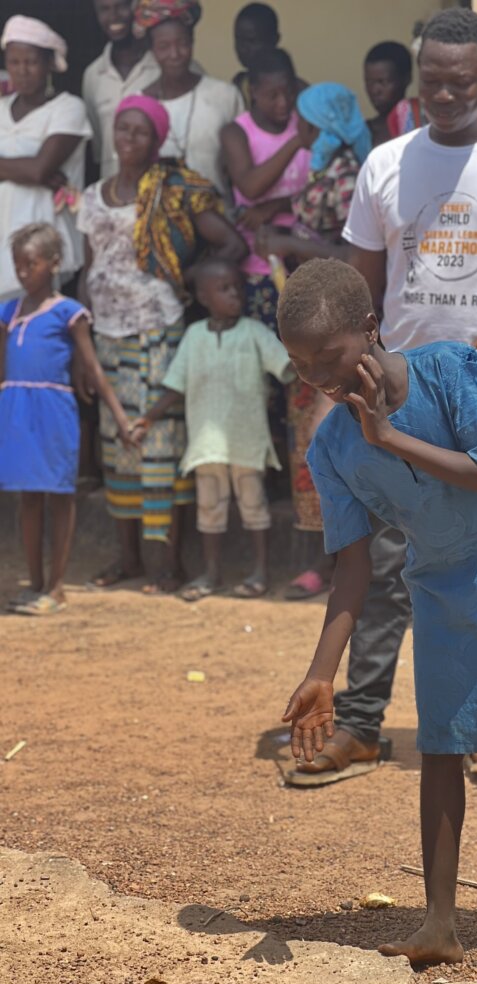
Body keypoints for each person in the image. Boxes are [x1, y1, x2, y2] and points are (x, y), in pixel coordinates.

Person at [284, 8, 477, 785]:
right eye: (432, 83)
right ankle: (360, 721)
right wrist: (339, 394)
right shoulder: (385, 165)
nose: (444, 96)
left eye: (460, 82)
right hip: (389, 394)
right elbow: (352, 287)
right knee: (383, 562)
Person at [279, 257, 477, 969]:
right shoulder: (330, 447)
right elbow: (353, 566)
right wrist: (324, 672)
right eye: (299, 363)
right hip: (439, 581)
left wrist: (388, 437)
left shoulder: (451, 370)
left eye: (328, 355)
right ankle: (439, 922)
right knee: (441, 745)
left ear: (370, 328)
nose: (317, 376)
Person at [77, 94, 246, 593]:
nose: (128, 139)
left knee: (160, 447)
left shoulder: (172, 190)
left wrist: (188, 277)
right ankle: (128, 557)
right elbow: (90, 270)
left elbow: (231, 243)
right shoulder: (92, 197)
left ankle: (167, 563)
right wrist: (82, 344)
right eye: (122, 130)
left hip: (159, 331)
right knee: (118, 449)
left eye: (140, 132)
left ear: (156, 141)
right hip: (106, 334)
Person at [256, 82, 372, 601]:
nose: (297, 129)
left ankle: (336, 564)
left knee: (332, 446)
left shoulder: (348, 178)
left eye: (305, 122)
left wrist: (288, 243)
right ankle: (321, 557)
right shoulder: (324, 170)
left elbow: (354, 256)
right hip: (310, 327)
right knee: (310, 445)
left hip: (333, 332)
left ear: (321, 126)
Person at [130, 260, 295, 600]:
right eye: (224, 289)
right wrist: (148, 418)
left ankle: (260, 571)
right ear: (204, 298)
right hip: (206, 444)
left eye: (237, 287)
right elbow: (176, 385)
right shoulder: (194, 337)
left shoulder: (254, 332)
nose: (234, 294)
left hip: (247, 441)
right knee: (209, 510)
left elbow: (287, 369)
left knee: (254, 506)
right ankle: (211, 573)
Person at [0, 223, 133, 616]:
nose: (24, 271)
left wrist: (121, 419)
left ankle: (56, 586)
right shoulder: (8, 313)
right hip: (17, 412)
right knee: (28, 497)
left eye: (32, 263)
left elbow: (93, 370)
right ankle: (35, 583)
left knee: (59, 495)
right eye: (18, 264)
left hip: (53, 413)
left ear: (54, 264)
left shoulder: (69, 313)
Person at [0, 16, 92, 304]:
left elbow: (41, 170)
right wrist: (26, 169)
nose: (22, 71)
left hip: (43, 241)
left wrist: (34, 170)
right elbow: (36, 169)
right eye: (14, 62)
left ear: (50, 63)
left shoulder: (68, 108)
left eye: (32, 62)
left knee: (39, 328)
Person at [220, 47, 311, 329]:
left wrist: (276, 206)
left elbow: (326, 190)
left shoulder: (307, 122)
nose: (283, 103)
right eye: (273, 95)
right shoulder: (236, 132)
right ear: (254, 91)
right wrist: (296, 141)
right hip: (259, 268)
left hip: (308, 260)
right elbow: (250, 186)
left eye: (289, 92)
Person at [135, 0, 243, 201]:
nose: (175, 54)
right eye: (164, 46)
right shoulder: (139, 106)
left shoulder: (225, 96)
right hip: (161, 227)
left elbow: (243, 167)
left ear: (193, 42)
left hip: (221, 221)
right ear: (151, 51)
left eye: (182, 43)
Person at [82, 0, 159, 179]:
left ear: (138, 8)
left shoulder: (166, 65)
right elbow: (99, 150)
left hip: (161, 193)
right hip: (113, 194)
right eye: (104, 9)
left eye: (122, 6)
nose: (113, 16)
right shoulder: (93, 75)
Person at [363, 41, 413, 147]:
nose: (375, 90)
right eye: (369, 82)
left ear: (406, 79)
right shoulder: (362, 134)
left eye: (383, 82)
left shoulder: (420, 127)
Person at [232, 3, 279, 105]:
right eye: (238, 39)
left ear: (274, 40)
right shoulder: (236, 86)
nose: (243, 48)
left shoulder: (297, 92)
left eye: (252, 41)